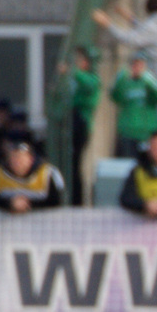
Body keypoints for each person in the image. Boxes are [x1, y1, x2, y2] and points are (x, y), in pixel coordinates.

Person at [93, 0, 157, 126]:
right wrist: (129, 18)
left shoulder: (153, 25)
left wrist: (107, 24)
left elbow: (130, 39)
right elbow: (147, 32)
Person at [59, 48, 100, 204]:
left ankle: (78, 200)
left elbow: (89, 86)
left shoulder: (91, 79)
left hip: (81, 124)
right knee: (71, 165)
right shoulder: (75, 81)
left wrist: (71, 71)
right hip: (72, 122)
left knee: (76, 165)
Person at [0, 141, 64, 213]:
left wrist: (29, 204)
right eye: (14, 158)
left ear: (31, 159)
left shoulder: (48, 174)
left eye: (22, 158)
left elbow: (56, 204)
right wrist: (9, 204)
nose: (18, 162)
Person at [110, 54, 157, 157]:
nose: (137, 68)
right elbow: (114, 96)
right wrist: (121, 78)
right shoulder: (125, 84)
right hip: (128, 131)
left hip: (147, 133)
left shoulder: (149, 82)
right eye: (135, 64)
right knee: (129, 165)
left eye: (140, 65)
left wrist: (146, 78)